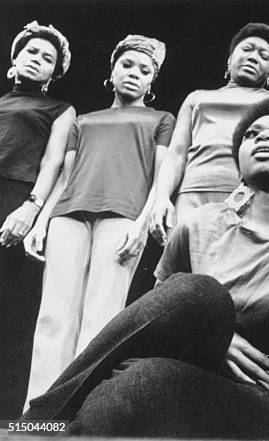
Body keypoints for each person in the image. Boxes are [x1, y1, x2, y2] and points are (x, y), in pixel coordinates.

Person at [23, 95, 269, 441]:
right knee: (188, 305)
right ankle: (39, 425)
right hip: (186, 370)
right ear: (239, 164)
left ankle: (38, 427)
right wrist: (216, 339)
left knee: (139, 380)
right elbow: (158, 321)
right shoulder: (199, 224)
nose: (263, 137)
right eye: (251, 135)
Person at [23, 35, 175, 409]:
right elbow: (64, 176)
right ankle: (36, 414)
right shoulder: (85, 120)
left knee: (101, 317)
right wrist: (40, 222)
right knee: (53, 316)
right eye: (127, 65)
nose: (134, 74)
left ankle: (78, 412)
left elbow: (162, 176)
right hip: (68, 214)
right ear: (112, 69)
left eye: (144, 70)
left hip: (122, 216)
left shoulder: (161, 119)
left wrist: (142, 224)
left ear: (152, 81)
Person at [0, 21, 74, 419]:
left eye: (48, 58)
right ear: (15, 59)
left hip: (16, 202)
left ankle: (9, 419)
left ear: (54, 73)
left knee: (11, 313)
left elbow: (53, 162)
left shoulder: (59, 110)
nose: (38, 60)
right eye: (32, 52)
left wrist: (30, 207)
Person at [150, 22, 269, 246]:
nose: (253, 57)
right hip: (193, 195)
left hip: (252, 197)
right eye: (247, 49)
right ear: (229, 59)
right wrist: (161, 198)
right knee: (186, 276)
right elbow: (176, 154)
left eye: (264, 56)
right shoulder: (197, 98)